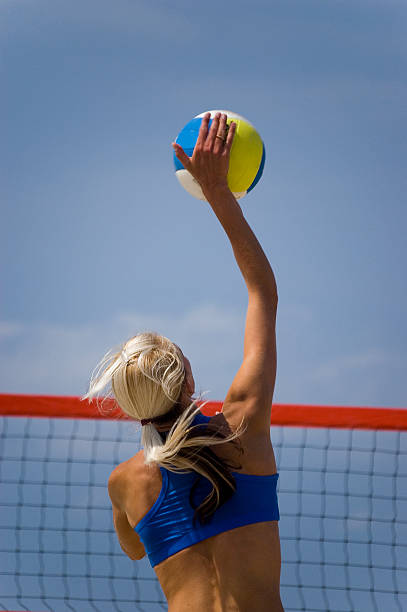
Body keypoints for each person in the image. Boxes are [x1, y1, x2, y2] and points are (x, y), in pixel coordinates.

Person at [84, 112, 282, 611]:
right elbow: (262, 294)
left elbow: (133, 549)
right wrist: (219, 194)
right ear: (188, 378)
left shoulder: (124, 483)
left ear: (130, 408)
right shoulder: (241, 428)